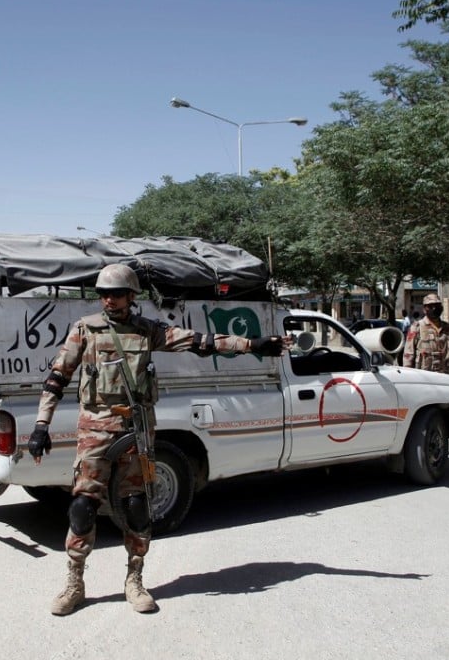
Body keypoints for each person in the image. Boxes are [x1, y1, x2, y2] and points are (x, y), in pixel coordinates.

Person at [28, 263, 291, 616]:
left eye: (117, 293)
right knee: (82, 508)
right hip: (94, 431)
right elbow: (57, 377)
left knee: (137, 507)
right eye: (104, 293)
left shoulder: (147, 331)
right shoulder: (84, 331)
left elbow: (200, 342)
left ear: (131, 296)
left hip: (135, 430)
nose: (109, 299)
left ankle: (134, 580)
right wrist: (42, 424)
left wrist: (255, 344)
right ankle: (74, 582)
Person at [402, 293, 449, 460]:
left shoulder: (447, 328)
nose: (435, 308)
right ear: (425, 308)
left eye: (437, 305)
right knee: (428, 416)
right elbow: (408, 355)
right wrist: (407, 378)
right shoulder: (417, 327)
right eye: (431, 305)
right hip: (424, 380)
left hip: (445, 378)